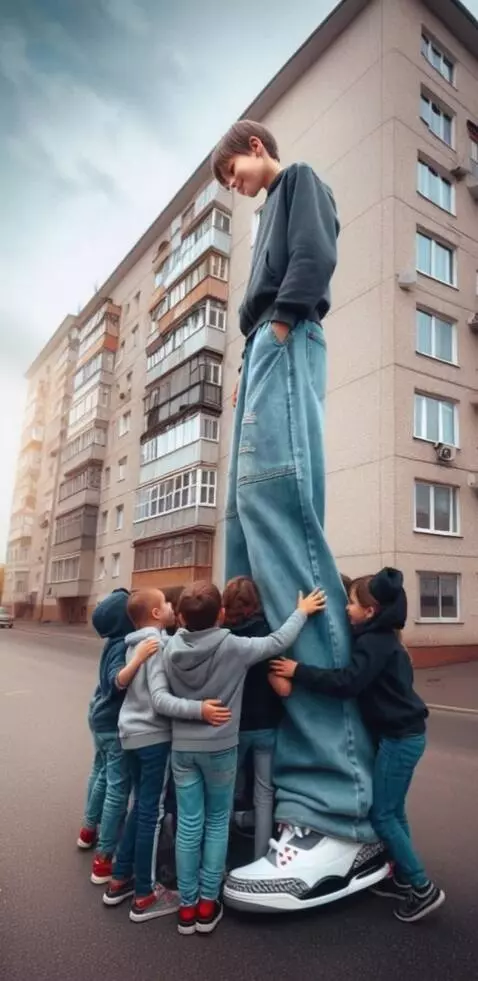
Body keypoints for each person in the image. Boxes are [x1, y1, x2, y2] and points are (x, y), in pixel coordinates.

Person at [211, 120, 384, 912]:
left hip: (282, 336)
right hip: (261, 352)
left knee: (283, 535)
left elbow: (314, 261)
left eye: (234, 170)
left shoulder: (298, 180)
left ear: (255, 143)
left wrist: (276, 331)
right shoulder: (263, 212)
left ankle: (337, 818)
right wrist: (255, 358)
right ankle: (268, 789)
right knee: (243, 574)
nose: (236, 184)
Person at [271, 568, 445, 923]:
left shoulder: (374, 642)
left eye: (351, 603)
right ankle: (402, 875)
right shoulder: (382, 636)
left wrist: (298, 670)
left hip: (400, 739)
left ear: (371, 611)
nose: (346, 609)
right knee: (393, 812)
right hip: (404, 735)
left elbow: (348, 682)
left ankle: (422, 888)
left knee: (382, 814)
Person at [162, 581, 325, 936]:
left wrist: (194, 710)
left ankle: (186, 908)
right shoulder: (233, 646)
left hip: (183, 750)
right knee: (219, 821)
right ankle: (209, 902)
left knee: (190, 825)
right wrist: (302, 610)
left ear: (180, 617)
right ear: (220, 615)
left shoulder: (170, 645)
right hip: (221, 747)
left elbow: (159, 699)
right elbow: (279, 642)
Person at [102, 587, 231, 923]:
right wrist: (198, 708)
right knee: (152, 814)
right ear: (157, 614)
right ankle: (145, 893)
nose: (173, 607)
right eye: (167, 603)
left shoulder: (133, 642)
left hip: (128, 732)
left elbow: (118, 681)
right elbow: (161, 697)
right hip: (153, 736)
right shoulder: (158, 644)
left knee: (139, 808)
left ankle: (120, 877)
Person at [77, 588, 157, 886]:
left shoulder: (112, 641)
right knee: (117, 789)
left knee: (99, 774)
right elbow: (116, 680)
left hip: (99, 720)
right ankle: (104, 858)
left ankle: (88, 830)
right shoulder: (122, 646)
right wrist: (137, 660)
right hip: (113, 725)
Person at [223, 576, 291, 859]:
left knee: (224, 793)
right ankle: (260, 857)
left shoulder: (222, 636)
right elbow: (282, 688)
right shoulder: (268, 634)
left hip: (233, 727)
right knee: (264, 795)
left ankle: (220, 855)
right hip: (266, 725)